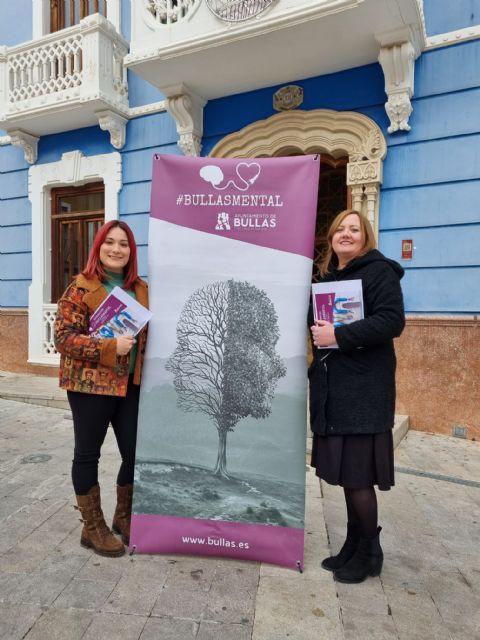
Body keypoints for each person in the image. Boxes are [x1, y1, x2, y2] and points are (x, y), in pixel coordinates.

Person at [309, 209, 405, 584]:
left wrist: (340, 336)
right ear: (331, 238)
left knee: (358, 477)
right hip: (334, 388)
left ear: (365, 237)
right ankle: (354, 545)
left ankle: (369, 552)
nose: (346, 234)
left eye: (354, 229)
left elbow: (391, 320)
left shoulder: (379, 272)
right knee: (349, 477)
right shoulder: (327, 279)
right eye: (340, 230)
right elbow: (316, 326)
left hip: (364, 392)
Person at [54, 220, 148, 558]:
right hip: (89, 386)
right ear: (99, 247)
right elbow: (63, 339)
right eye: (110, 242)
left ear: (131, 252)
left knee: (136, 452)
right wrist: (109, 347)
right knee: (87, 454)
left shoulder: (141, 289)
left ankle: (124, 517)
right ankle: (92, 527)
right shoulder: (80, 287)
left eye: (124, 244)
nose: (116, 249)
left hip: (131, 387)